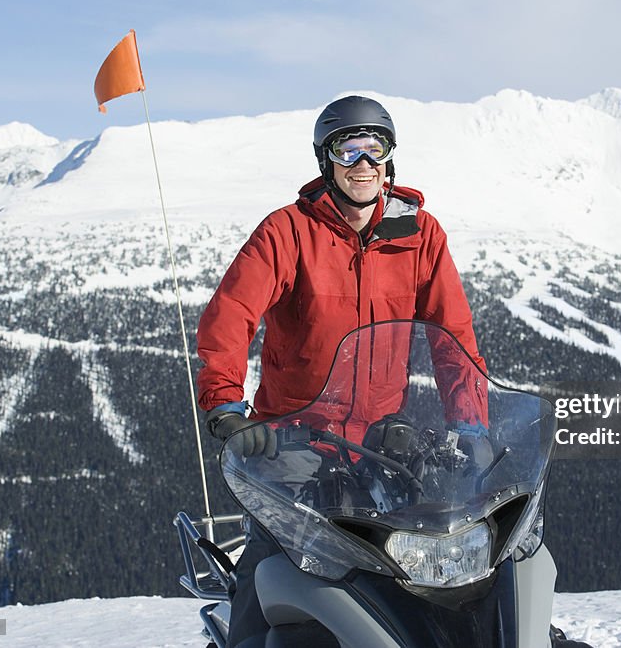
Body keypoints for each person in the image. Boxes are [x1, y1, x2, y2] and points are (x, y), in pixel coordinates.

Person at [195, 95, 488, 647]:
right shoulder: (288, 231)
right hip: (292, 445)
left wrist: (471, 427)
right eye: (347, 149)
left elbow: (455, 339)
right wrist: (227, 409)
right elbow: (228, 319)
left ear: (390, 159)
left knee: (423, 584)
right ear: (325, 160)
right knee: (267, 578)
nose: (362, 164)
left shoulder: (419, 235)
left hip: (384, 445)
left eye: (373, 148)